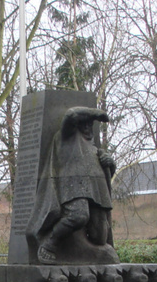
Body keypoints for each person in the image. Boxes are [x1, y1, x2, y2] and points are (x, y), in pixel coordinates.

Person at [26, 106, 118, 265]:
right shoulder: (66, 136)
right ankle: (50, 244)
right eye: (85, 123)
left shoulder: (94, 149)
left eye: (91, 124)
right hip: (73, 187)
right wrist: (96, 114)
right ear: (78, 124)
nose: (88, 127)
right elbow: (70, 114)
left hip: (96, 192)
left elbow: (105, 172)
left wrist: (110, 164)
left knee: (100, 236)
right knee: (79, 215)